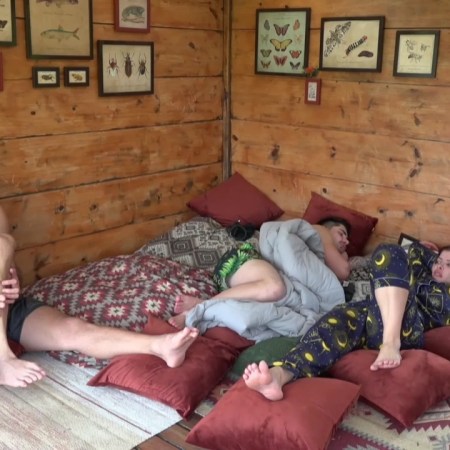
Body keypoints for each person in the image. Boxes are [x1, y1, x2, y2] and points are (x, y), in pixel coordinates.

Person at [0, 206, 199, 388]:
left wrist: (12, 281)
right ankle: (3, 359)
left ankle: (160, 346)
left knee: (74, 329)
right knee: (4, 242)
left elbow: (9, 266)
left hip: (8, 311)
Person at [243, 240, 449, 401]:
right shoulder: (420, 271)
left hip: (407, 329)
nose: (440, 266)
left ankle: (390, 342)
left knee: (390, 252)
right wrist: (432, 254)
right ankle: (279, 375)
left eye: (448, 265)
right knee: (337, 320)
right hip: (371, 317)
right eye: (438, 261)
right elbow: (415, 250)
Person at [168, 217, 351, 329]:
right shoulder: (321, 231)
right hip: (240, 260)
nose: (346, 240)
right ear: (328, 227)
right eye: (341, 233)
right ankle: (200, 307)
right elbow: (343, 271)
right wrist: (344, 255)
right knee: (275, 288)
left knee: (271, 301)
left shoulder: (318, 255)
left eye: (347, 238)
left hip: (244, 277)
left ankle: (210, 308)